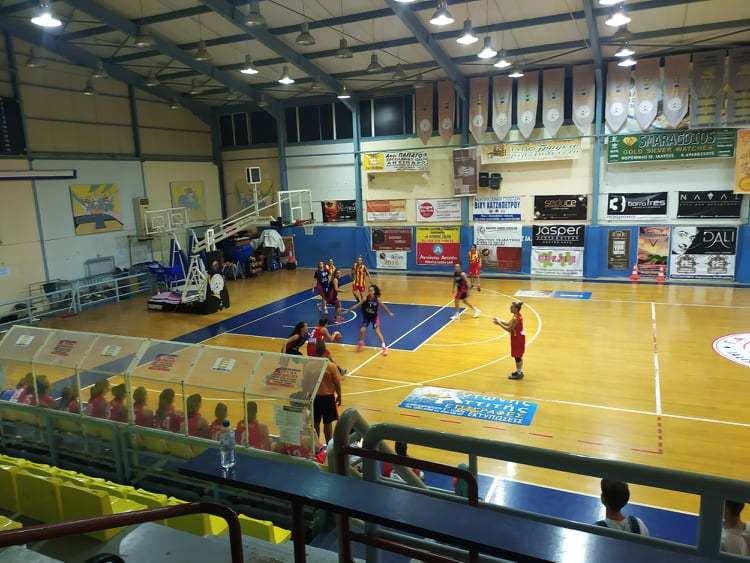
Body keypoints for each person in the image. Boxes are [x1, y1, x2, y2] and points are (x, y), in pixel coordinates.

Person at [347, 284, 394, 356]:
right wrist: (350, 309)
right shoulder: (365, 299)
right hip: (367, 317)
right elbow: (358, 305)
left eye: (371, 290)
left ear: (374, 292)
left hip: (374, 318)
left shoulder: (377, 299)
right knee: (362, 330)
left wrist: (389, 312)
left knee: (377, 332)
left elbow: (384, 306)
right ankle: (361, 343)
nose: (370, 292)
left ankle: (385, 347)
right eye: (369, 290)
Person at [311, 340, 342, 443]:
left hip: (315, 397)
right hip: (328, 398)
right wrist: (339, 395)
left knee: (315, 423)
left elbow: (306, 381)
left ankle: (316, 446)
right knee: (328, 424)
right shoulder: (331, 366)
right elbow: (337, 383)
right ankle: (329, 445)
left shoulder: (310, 364)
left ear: (315, 351)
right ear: (325, 351)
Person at [494, 301, 526, 380]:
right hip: (517, 337)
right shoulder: (516, 315)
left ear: (516, 309)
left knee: (517, 356)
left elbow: (509, 329)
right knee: (517, 356)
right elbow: (508, 323)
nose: (510, 308)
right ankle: (519, 371)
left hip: (517, 338)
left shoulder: (516, 318)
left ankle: (519, 373)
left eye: (512, 307)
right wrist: (499, 320)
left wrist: (499, 324)